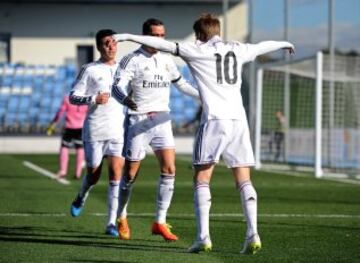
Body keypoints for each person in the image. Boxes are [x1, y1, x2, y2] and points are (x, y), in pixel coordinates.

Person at [113, 13, 294, 253]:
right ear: (217, 31)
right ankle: (253, 234)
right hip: (239, 121)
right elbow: (263, 46)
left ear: (199, 35)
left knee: (201, 179)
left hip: (214, 122)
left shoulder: (197, 50)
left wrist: (127, 36)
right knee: (244, 180)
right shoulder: (238, 48)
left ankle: (203, 237)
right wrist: (285, 43)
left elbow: (163, 45)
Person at [112, 18, 199, 242]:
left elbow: (181, 84)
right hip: (137, 120)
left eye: (163, 35)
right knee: (130, 174)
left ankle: (159, 222)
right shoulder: (130, 59)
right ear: (145, 35)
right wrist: (125, 100)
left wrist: (204, 95)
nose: (160, 40)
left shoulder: (167, 59)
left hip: (162, 119)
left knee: (170, 169)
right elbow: (116, 87)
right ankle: (121, 215)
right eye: (156, 35)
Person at [68, 29, 137, 237]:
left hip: (118, 130)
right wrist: (92, 99)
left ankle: (110, 224)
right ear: (99, 47)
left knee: (116, 175)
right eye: (106, 43)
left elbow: (133, 92)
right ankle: (82, 195)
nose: (111, 46)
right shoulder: (89, 69)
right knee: (93, 174)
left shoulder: (125, 70)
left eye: (114, 43)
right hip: (95, 130)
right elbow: (73, 97)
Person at [47, 95, 88, 179]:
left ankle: (63, 170)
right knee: (79, 148)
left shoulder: (67, 98)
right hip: (81, 127)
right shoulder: (86, 99)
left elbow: (60, 112)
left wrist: (54, 122)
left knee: (64, 147)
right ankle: (78, 173)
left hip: (69, 126)